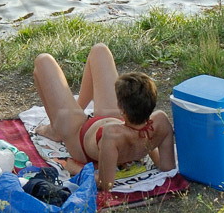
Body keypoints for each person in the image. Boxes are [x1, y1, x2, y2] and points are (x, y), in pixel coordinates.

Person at [33, 43, 176, 192]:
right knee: (99, 50)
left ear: (122, 109)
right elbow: (167, 166)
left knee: (43, 61)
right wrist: (146, 145)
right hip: (118, 123)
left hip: (79, 137)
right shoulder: (161, 120)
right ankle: (76, 108)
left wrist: (74, 168)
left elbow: (105, 184)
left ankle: (57, 129)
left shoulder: (111, 135)